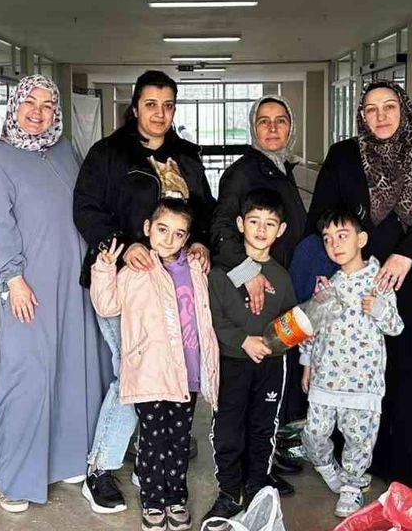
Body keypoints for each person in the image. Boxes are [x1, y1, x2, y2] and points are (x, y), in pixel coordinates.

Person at [73, 70, 215, 513]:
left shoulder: (186, 155)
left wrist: (201, 242)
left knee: (166, 373)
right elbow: (86, 209)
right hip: (126, 281)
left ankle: (150, 456)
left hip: (175, 284)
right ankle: (100, 467)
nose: (160, 113)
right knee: (131, 377)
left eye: (168, 105)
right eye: (151, 104)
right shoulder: (108, 153)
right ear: (135, 107)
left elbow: (204, 211)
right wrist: (122, 244)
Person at [306, 80, 412, 491]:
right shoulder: (343, 156)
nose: (381, 116)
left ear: (404, 111)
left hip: (407, 282)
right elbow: (322, 217)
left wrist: (406, 254)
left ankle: (407, 466)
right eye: (371, 109)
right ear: (362, 117)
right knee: (353, 375)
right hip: (355, 285)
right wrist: (331, 263)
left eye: (389, 106)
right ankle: (355, 465)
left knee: (406, 374)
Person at [0, 75, 106, 512]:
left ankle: (66, 458)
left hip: (73, 285)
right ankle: (14, 476)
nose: (37, 111)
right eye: (29, 102)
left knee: (73, 368)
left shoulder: (65, 151)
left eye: (48, 104)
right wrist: (12, 279)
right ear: (14, 106)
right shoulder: (0, 159)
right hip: (28, 287)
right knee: (27, 376)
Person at [89, 199, 220, 531]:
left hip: (187, 374)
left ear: (187, 237)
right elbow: (106, 306)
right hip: (149, 372)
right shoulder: (135, 270)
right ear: (147, 228)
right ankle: (153, 500)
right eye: (162, 230)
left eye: (179, 233)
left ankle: (176, 498)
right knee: (152, 441)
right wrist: (104, 267)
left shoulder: (195, 269)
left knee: (179, 441)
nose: (169, 239)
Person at [209, 96, 310, 465]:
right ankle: (253, 463)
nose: (272, 127)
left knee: (275, 375)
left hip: (279, 286)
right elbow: (221, 229)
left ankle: (270, 454)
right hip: (255, 291)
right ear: (253, 128)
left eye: (280, 120)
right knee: (254, 382)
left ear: (290, 127)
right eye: (264, 121)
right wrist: (248, 273)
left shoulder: (280, 167)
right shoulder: (243, 173)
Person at [301, 207, 405, 518]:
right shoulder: (326, 285)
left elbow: (396, 326)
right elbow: (312, 327)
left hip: (363, 380)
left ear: (361, 239)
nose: (334, 244)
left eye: (342, 236)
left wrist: (379, 310)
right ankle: (325, 465)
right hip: (326, 376)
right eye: (327, 239)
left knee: (359, 437)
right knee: (314, 432)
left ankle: (352, 485)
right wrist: (307, 364)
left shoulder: (379, 281)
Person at [204, 188, 299, 523]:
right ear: (240, 224)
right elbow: (214, 319)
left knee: (263, 427)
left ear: (280, 230)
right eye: (254, 221)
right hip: (231, 362)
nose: (261, 229)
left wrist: (292, 335)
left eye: (270, 223)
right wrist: (243, 340)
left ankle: (257, 486)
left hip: (271, 366)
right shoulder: (221, 273)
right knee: (228, 429)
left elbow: (289, 321)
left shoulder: (282, 277)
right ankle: (230, 492)